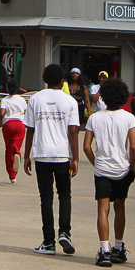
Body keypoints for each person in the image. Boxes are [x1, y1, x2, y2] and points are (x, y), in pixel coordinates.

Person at [24, 63, 80, 256]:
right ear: (62, 80)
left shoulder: (35, 99)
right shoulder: (70, 101)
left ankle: (48, 241)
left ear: (45, 80)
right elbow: (73, 130)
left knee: (46, 198)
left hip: (41, 154)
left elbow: (30, 128)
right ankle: (65, 232)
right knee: (64, 194)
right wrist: (75, 158)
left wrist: (26, 155)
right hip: (62, 155)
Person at [83, 78, 135, 267]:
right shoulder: (129, 117)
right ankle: (119, 247)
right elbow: (133, 146)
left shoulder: (94, 118)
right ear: (123, 97)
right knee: (120, 208)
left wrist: (96, 164)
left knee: (103, 210)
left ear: (104, 96)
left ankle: (104, 251)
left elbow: (86, 147)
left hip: (102, 170)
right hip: (122, 169)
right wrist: (131, 168)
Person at [0, 78, 27, 183]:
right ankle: (17, 153)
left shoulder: (5, 99)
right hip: (20, 124)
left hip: (8, 125)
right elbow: (25, 112)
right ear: (17, 88)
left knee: (8, 148)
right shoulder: (22, 99)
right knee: (16, 146)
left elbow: (2, 113)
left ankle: (12, 175)